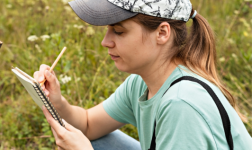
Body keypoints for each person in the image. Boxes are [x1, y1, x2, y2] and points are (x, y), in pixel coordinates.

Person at [33, 0, 252, 149]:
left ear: (162, 33)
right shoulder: (141, 84)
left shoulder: (181, 103)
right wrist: (57, 102)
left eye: (119, 31)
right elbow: (88, 125)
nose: (105, 41)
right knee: (95, 141)